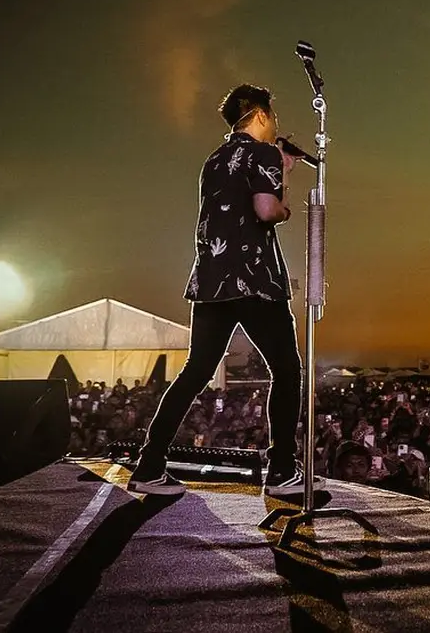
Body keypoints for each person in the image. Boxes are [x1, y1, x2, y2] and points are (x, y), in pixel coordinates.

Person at [128, 83, 319, 498]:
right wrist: (285, 198)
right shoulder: (263, 152)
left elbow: (237, 199)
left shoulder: (214, 160)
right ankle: (282, 470)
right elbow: (267, 209)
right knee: (286, 372)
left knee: (196, 372)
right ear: (262, 115)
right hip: (254, 278)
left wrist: (281, 171)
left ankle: (149, 465)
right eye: (274, 119)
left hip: (212, 280)